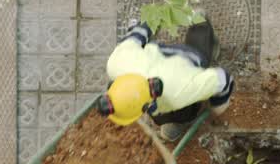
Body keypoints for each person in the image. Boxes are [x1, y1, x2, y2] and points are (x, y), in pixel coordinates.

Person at [98, 20, 234, 140]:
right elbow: (136, 33)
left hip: (189, 59)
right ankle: (199, 25)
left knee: (200, 52)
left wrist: (218, 104)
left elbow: (223, 78)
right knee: (160, 113)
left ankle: (202, 27)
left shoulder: (179, 93)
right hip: (157, 54)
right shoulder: (116, 63)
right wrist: (153, 20)